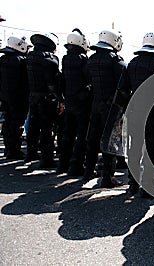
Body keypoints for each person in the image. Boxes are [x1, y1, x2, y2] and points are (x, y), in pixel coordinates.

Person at [111, 31, 154, 197]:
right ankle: (147, 186)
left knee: (134, 148)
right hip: (153, 113)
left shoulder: (133, 63)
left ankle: (132, 183)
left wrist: (125, 111)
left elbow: (122, 91)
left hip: (134, 112)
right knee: (151, 149)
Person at [84, 30, 125, 187]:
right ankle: (108, 177)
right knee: (110, 141)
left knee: (92, 138)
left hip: (95, 104)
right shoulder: (115, 61)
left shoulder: (92, 59)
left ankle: (88, 171)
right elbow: (122, 86)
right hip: (111, 107)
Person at [56, 29, 92, 176]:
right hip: (81, 102)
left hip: (69, 100)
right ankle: (76, 165)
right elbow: (88, 80)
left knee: (67, 134)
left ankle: (62, 164)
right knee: (82, 135)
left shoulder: (65, 59)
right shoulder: (83, 59)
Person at [26, 32, 63, 167]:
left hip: (33, 96)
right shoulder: (50, 60)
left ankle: (31, 153)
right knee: (47, 129)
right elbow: (53, 83)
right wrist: (60, 99)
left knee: (33, 126)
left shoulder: (29, 57)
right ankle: (46, 159)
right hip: (46, 98)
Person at [0, 36, 31, 159]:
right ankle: (14, 151)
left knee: (7, 124)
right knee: (16, 125)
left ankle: (9, 150)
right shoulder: (21, 61)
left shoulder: (2, 60)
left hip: (5, 98)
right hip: (19, 99)